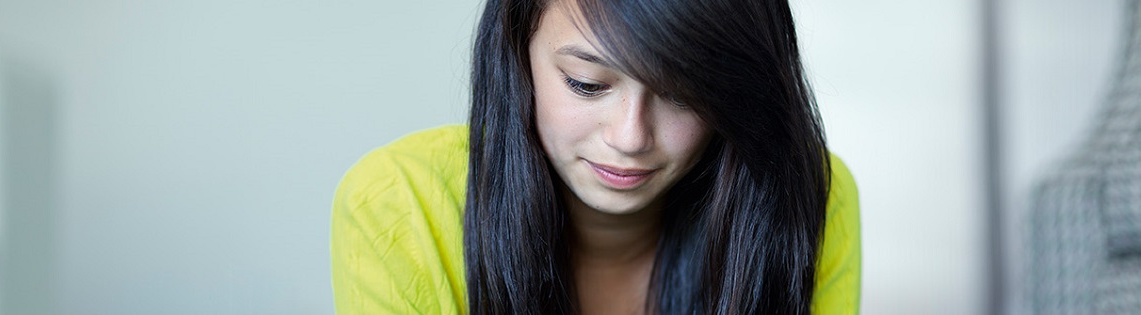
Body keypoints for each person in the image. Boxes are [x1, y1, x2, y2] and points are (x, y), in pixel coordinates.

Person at [331, 0, 860, 313]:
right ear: (517, 53)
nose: (631, 137)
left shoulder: (809, 195)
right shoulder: (399, 205)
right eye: (586, 85)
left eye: (683, 93)